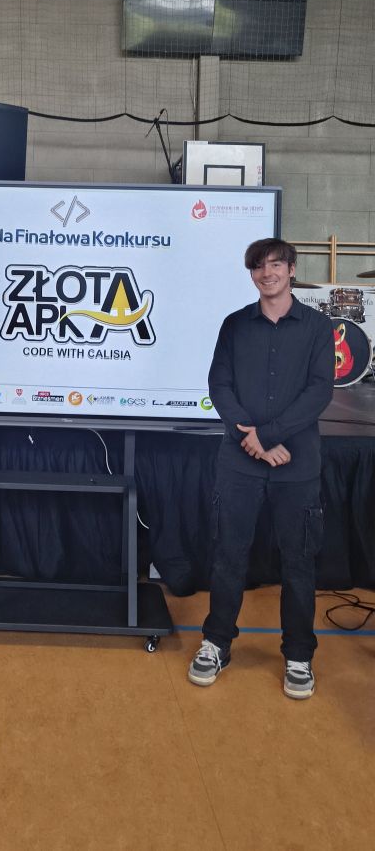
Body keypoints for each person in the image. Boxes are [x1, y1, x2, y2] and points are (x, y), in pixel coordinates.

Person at [188, 237, 334, 699]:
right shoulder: (234, 326)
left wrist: (267, 436)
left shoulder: (318, 327)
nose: (266, 273)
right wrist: (251, 440)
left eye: (275, 264)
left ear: (291, 270)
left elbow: (319, 391)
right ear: (251, 274)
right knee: (228, 556)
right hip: (239, 464)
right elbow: (219, 385)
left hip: (297, 464)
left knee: (298, 563)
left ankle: (298, 655)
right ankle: (216, 643)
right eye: (258, 266)